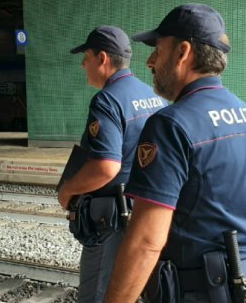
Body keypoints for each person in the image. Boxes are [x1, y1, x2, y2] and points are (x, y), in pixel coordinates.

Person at [104, 4, 246, 303]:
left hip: (202, 290)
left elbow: (146, 241)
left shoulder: (170, 125)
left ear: (182, 52)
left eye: (157, 48)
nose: (150, 61)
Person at [59, 25, 166, 303]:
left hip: (112, 216)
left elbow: (106, 166)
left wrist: (68, 191)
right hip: (145, 210)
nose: (83, 64)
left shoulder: (107, 100)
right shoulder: (153, 97)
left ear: (102, 59)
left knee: (98, 294)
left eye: (86, 56)